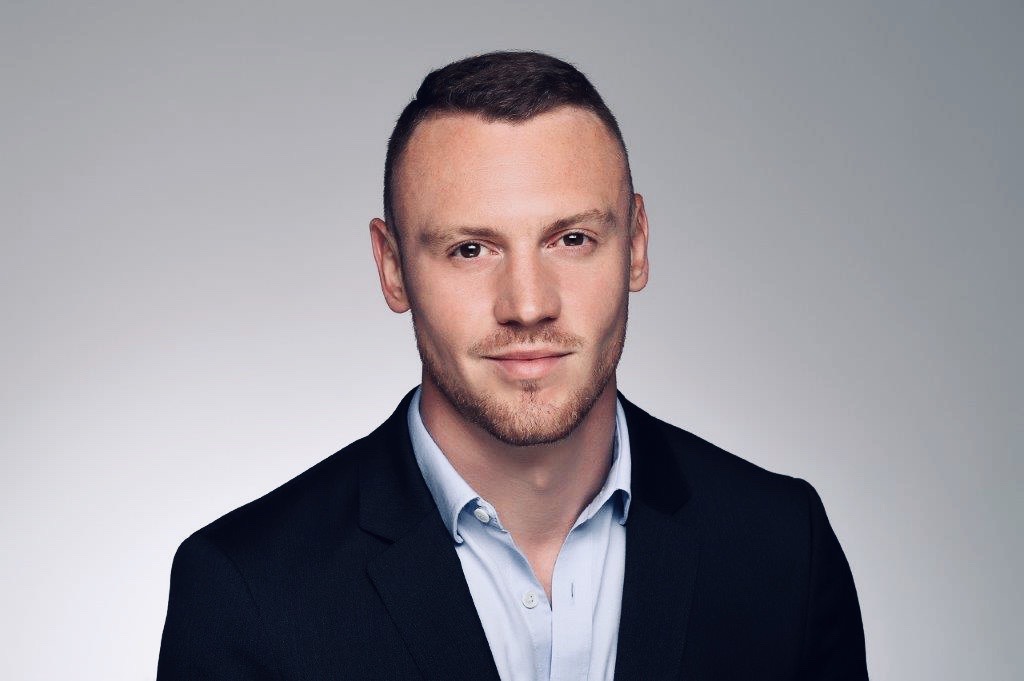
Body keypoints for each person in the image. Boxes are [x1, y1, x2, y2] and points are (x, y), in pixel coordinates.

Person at [157, 51, 868, 680]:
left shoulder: (781, 547)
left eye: (572, 238)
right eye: (471, 248)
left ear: (638, 245)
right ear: (393, 267)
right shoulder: (248, 590)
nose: (528, 305)